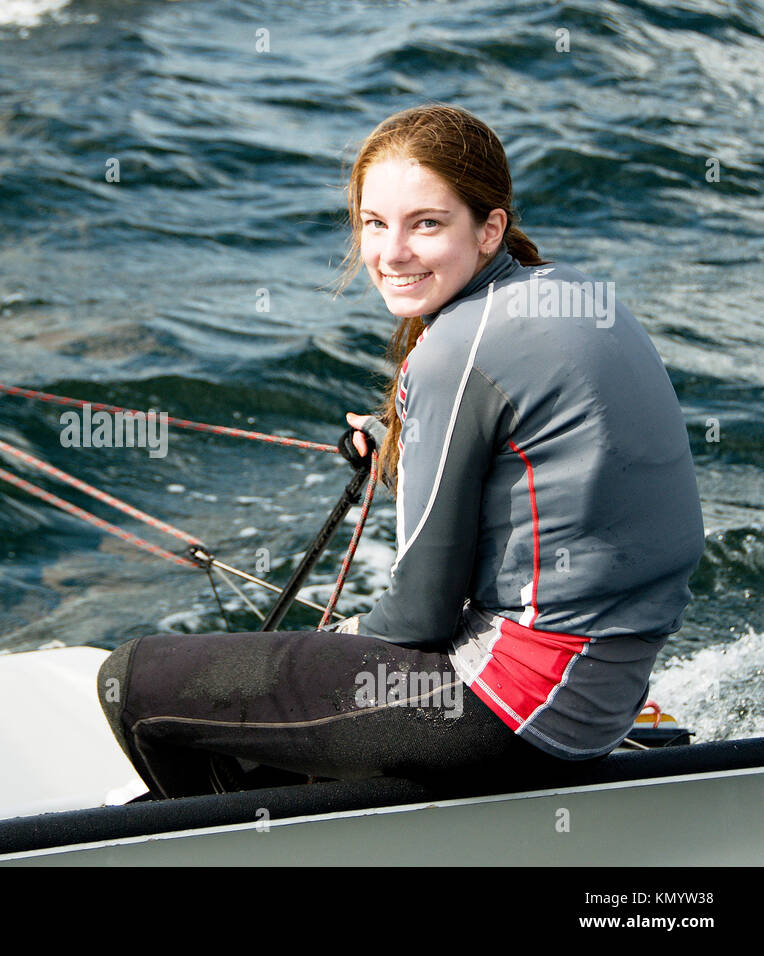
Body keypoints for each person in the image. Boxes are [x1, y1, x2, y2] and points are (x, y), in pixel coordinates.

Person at [96, 104, 705, 798]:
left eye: (427, 224)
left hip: (513, 713)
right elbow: (547, 470)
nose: (390, 252)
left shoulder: (452, 352)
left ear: (490, 228)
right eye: (374, 223)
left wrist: (334, 640)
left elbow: (417, 620)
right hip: (602, 696)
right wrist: (402, 444)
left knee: (132, 682)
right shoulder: (571, 295)